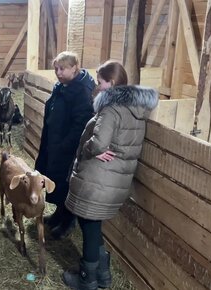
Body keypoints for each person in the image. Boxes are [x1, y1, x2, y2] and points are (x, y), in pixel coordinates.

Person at [62, 61, 158, 289]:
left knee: (89, 223)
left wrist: (88, 147)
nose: (98, 86)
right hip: (115, 180)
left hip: (99, 179)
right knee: (93, 223)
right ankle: (103, 275)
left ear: (112, 83)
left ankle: (87, 279)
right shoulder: (136, 110)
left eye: (101, 82)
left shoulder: (112, 109)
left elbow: (99, 143)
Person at [34, 51, 96, 240]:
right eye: (56, 69)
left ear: (74, 68)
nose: (58, 72)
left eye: (62, 69)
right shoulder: (62, 86)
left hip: (68, 149)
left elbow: (81, 123)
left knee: (67, 184)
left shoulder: (81, 92)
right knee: (57, 181)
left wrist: (64, 144)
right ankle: (59, 214)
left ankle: (68, 221)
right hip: (55, 142)